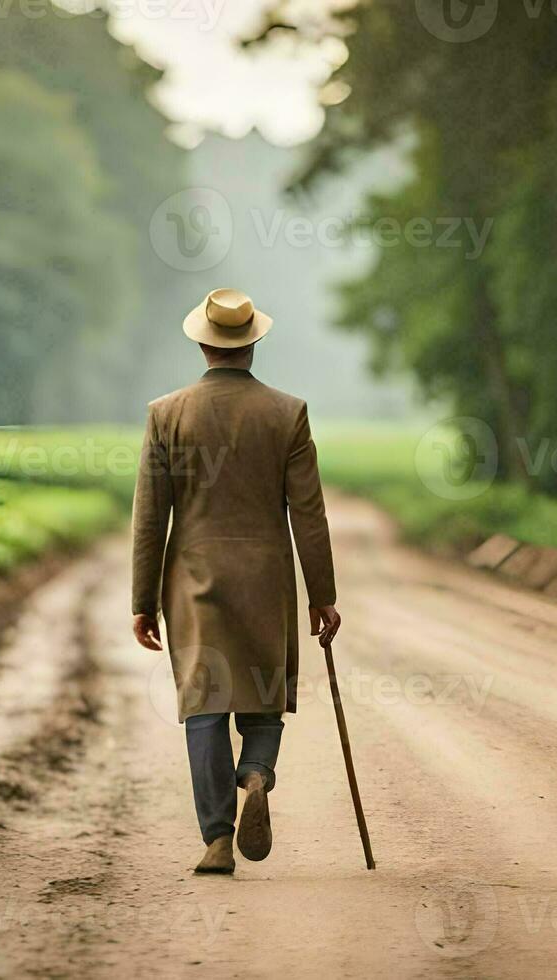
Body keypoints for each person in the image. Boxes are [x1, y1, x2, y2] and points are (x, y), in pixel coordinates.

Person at [130, 287, 342, 875]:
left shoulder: (165, 414)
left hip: (193, 583)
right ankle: (256, 773)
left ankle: (218, 839)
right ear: (253, 343)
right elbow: (310, 514)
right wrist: (322, 595)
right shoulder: (287, 414)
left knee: (203, 704)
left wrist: (142, 601)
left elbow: (152, 517)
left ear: (202, 342)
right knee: (260, 694)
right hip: (266, 578)